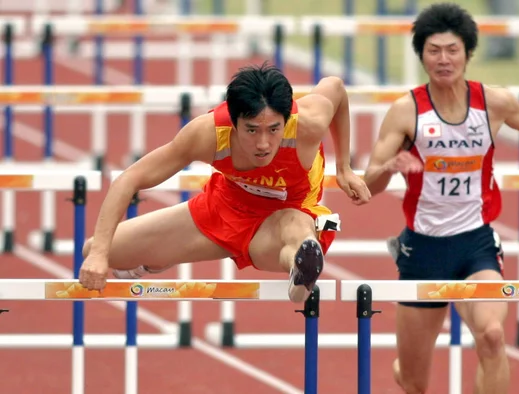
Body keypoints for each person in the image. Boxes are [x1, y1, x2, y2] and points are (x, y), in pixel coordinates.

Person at [361, 3, 519, 394]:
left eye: (452, 50)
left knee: (492, 335)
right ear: (422, 55)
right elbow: (367, 188)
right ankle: (407, 367)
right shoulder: (406, 111)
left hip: (475, 244)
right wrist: (392, 165)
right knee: (413, 383)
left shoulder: (493, 102)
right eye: (434, 51)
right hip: (422, 251)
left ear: (468, 53)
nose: (444, 60)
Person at [78, 62, 371, 303]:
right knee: (94, 249)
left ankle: (301, 270)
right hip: (221, 209)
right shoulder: (206, 135)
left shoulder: (309, 123)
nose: (263, 143)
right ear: (233, 121)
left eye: (273, 129)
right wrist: (101, 255)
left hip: (282, 220)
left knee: (296, 230)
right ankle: (154, 259)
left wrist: (344, 168)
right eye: (252, 130)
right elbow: (130, 179)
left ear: (286, 119)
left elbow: (336, 87)